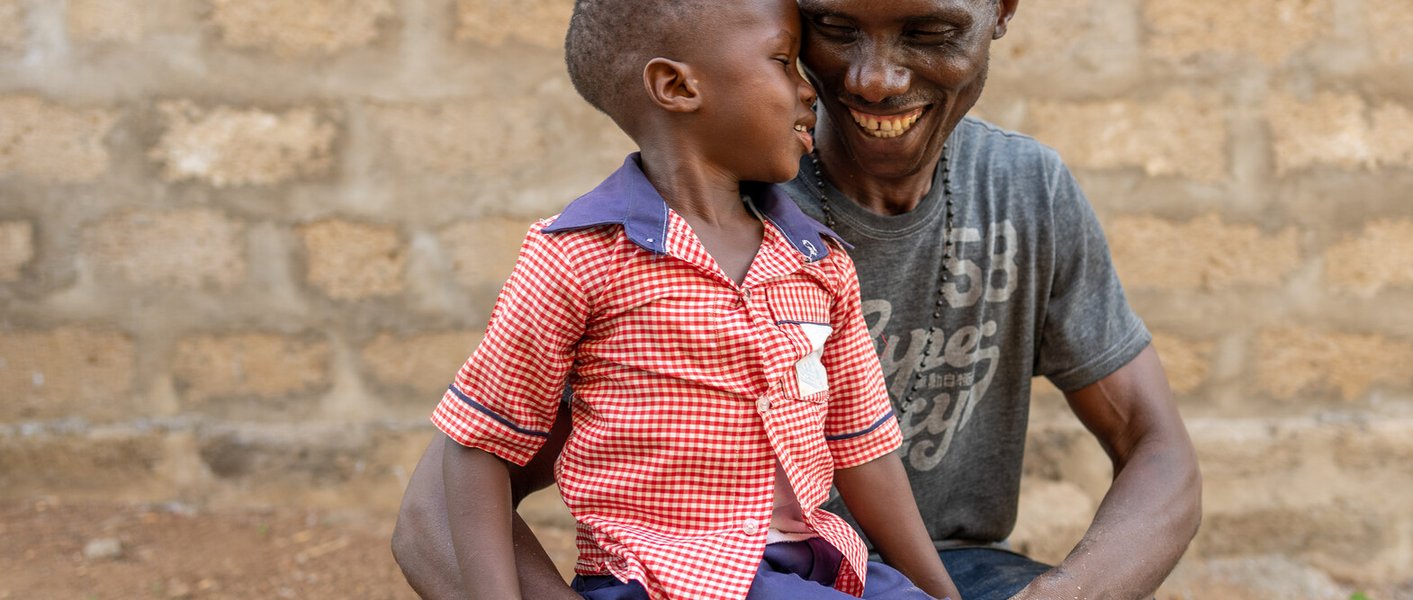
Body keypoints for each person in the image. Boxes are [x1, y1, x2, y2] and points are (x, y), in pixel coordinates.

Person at [393, 0, 1204, 598]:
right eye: (835, 30)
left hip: (941, 572)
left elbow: (1156, 446)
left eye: (928, 32)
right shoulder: (686, 229)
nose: (875, 80)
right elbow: (435, 512)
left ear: (999, 11)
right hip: (718, 574)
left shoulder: (1025, 190)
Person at [422, 0, 961, 598]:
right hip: (669, 575)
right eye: (783, 62)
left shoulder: (819, 261)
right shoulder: (579, 258)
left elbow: (863, 448)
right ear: (676, 86)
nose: (811, 91)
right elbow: (479, 445)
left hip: (812, 562)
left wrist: (942, 594)